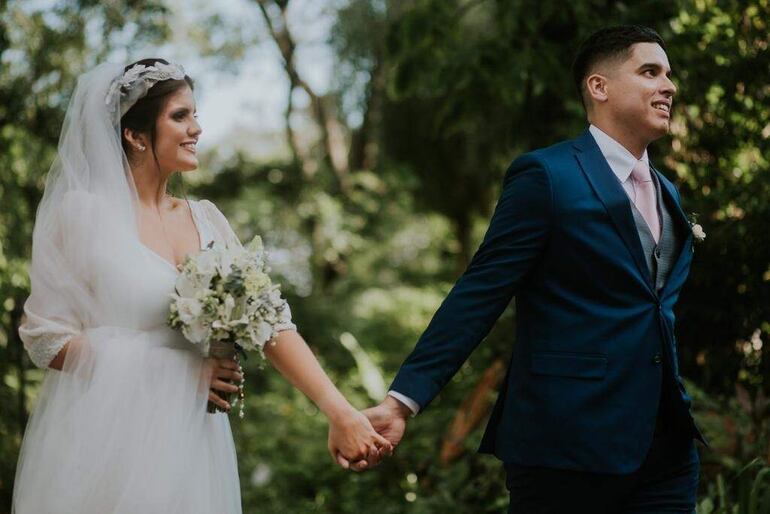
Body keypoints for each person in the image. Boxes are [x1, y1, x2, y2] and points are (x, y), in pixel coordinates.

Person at [12, 58, 389, 514]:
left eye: (195, 115)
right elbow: (44, 338)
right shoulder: (83, 215)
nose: (197, 129)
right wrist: (180, 373)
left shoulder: (207, 219)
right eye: (180, 116)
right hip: (108, 445)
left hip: (192, 446)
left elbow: (269, 322)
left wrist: (340, 411)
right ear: (135, 134)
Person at [361, 26, 705, 513]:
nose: (669, 86)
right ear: (599, 87)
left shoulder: (668, 192)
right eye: (650, 72)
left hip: (666, 451)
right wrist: (402, 401)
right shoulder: (547, 176)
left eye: (669, 74)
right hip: (566, 448)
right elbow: (480, 292)